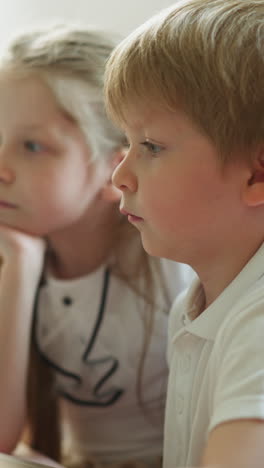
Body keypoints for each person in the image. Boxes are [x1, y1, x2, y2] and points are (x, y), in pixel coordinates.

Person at [0, 23, 192, 468]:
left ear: (113, 170)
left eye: (32, 146)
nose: (1, 167)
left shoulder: (172, 264)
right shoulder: (10, 255)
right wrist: (21, 268)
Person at [104, 0, 264, 467]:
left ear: (257, 174)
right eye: (127, 143)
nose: (120, 176)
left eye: (150, 146)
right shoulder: (194, 306)